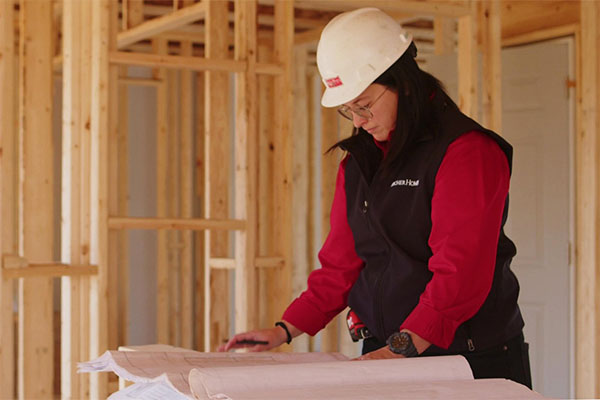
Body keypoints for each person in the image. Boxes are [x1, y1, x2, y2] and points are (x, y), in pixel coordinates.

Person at [219, 7, 532, 388]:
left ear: (403, 81)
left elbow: (460, 271)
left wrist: (403, 346)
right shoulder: (360, 163)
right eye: (348, 110)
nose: (358, 121)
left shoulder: (466, 152)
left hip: (468, 359)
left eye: (364, 104)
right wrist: (286, 328)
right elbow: (342, 264)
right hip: (393, 351)